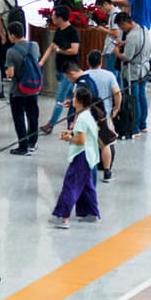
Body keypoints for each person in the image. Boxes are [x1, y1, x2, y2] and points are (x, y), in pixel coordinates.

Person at [50, 89, 101, 228]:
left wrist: (69, 138)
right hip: (89, 155)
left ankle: (63, 217)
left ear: (79, 100)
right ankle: (91, 213)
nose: (72, 99)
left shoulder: (82, 118)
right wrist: (71, 133)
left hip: (81, 156)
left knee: (70, 185)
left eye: (74, 97)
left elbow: (81, 140)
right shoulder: (86, 115)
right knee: (86, 186)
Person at [4, 21, 42, 155]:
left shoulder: (11, 51)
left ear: (13, 35)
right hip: (33, 87)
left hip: (18, 90)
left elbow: (10, 73)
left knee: (19, 118)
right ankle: (33, 142)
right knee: (33, 116)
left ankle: (23, 146)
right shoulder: (34, 46)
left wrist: (6, 72)